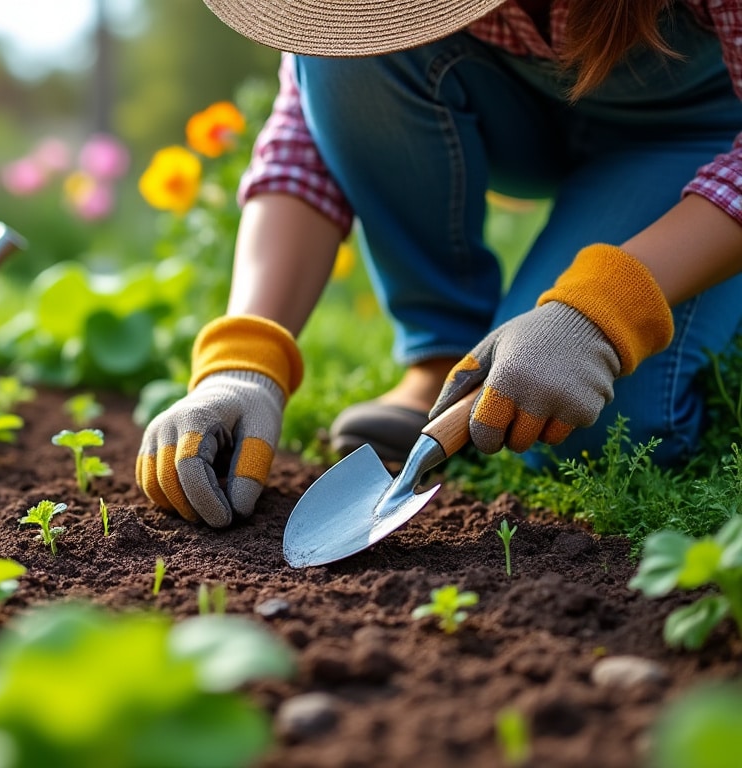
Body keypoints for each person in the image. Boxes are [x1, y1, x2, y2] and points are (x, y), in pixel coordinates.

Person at [136, 0, 742, 528]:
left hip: (691, 135)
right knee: (343, 56)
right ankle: (440, 365)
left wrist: (605, 313)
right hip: (515, 111)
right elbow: (305, 141)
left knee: (585, 432)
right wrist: (244, 360)